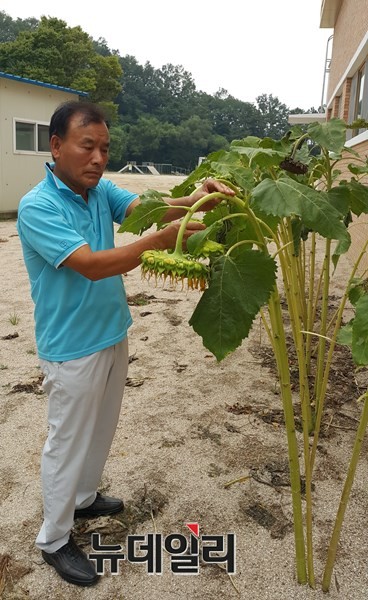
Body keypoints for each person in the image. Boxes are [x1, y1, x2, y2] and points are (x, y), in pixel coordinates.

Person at [16, 100, 234, 587]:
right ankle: (53, 539)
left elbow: (152, 211)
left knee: (101, 431)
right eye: (87, 146)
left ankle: (85, 499)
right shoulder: (38, 206)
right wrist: (161, 241)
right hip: (71, 345)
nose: (98, 158)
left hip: (112, 331)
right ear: (56, 146)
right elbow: (92, 264)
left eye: (105, 149)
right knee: (67, 442)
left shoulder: (100, 191)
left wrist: (203, 199)